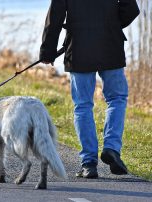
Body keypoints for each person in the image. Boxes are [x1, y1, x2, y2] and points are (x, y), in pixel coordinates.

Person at [39, 0, 140, 178]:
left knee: (83, 105)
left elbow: (55, 16)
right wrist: (111, 24)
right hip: (111, 45)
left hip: (79, 49)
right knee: (117, 98)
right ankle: (112, 148)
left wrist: (48, 51)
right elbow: (131, 9)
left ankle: (88, 163)